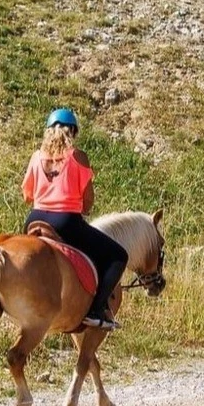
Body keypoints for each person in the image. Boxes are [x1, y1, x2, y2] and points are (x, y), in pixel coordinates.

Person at [20, 109, 126, 332]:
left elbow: (27, 195)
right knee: (118, 256)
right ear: (74, 132)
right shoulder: (78, 157)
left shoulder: (36, 156)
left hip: (35, 218)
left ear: (48, 131)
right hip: (66, 221)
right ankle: (97, 309)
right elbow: (88, 201)